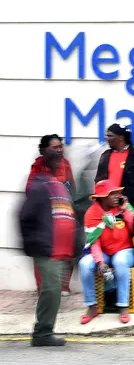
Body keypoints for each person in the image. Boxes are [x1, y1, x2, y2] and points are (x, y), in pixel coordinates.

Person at [20, 143, 77, 347]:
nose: (62, 168)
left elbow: (69, 214)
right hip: (48, 249)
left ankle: (43, 331)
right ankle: (42, 333)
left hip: (62, 251)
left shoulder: (60, 187)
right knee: (51, 290)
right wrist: (36, 244)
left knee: (52, 292)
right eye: (58, 166)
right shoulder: (40, 186)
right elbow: (26, 217)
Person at [78, 180, 134, 324]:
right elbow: (94, 241)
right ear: (102, 197)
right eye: (113, 194)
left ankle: (123, 306)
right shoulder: (92, 213)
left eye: (118, 193)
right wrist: (100, 262)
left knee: (120, 261)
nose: (117, 196)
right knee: (84, 264)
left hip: (125, 250)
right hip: (104, 252)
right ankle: (92, 306)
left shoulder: (123, 207)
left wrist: (125, 210)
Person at [26, 134, 76, 297]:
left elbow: (72, 188)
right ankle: (43, 287)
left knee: (66, 250)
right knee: (43, 253)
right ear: (45, 149)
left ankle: (64, 286)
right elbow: (30, 190)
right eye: (55, 147)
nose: (60, 150)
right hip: (45, 217)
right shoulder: (37, 166)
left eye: (61, 146)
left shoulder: (65, 164)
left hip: (64, 214)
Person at [95, 123, 134, 214]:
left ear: (121, 137)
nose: (107, 139)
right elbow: (98, 180)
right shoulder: (106, 155)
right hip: (107, 209)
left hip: (131, 207)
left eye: (110, 136)